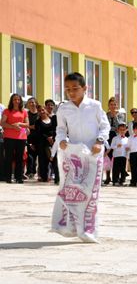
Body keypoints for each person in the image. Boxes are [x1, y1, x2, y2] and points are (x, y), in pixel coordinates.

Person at [53, 72, 110, 242]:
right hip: (73, 155)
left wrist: (100, 141)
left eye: (75, 89)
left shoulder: (94, 106)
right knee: (71, 191)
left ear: (85, 88)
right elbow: (61, 129)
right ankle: (71, 226)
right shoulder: (63, 108)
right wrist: (62, 140)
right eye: (68, 89)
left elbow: (104, 126)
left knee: (90, 194)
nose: (71, 92)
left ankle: (88, 230)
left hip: (93, 155)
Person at [1, 93, 29, 183]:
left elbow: (27, 124)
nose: (16, 101)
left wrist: (19, 124)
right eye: (14, 99)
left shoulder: (24, 111)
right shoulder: (7, 111)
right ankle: (8, 177)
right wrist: (13, 127)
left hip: (21, 138)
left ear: (20, 101)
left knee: (19, 158)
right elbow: (2, 123)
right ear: (11, 101)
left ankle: (19, 177)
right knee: (8, 157)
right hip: (9, 137)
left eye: (18, 100)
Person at [35, 105, 57, 183]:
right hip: (42, 143)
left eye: (43, 110)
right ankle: (44, 177)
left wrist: (52, 137)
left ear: (46, 110)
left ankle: (53, 176)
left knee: (53, 159)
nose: (42, 111)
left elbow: (55, 129)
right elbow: (38, 132)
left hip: (52, 143)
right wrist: (47, 137)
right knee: (43, 161)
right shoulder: (38, 121)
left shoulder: (52, 119)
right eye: (40, 110)